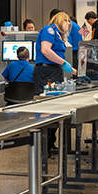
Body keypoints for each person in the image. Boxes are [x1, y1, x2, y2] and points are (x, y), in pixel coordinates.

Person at [33, 12, 77, 151]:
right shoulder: (48, 30)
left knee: (54, 109)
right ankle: (43, 147)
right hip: (46, 72)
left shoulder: (58, 34)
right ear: (60, 20)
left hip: (54, 71)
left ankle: (50, 144)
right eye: (66, 21)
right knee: (46, 109)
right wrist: (64, 62)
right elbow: (46, 50)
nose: (68, 24)